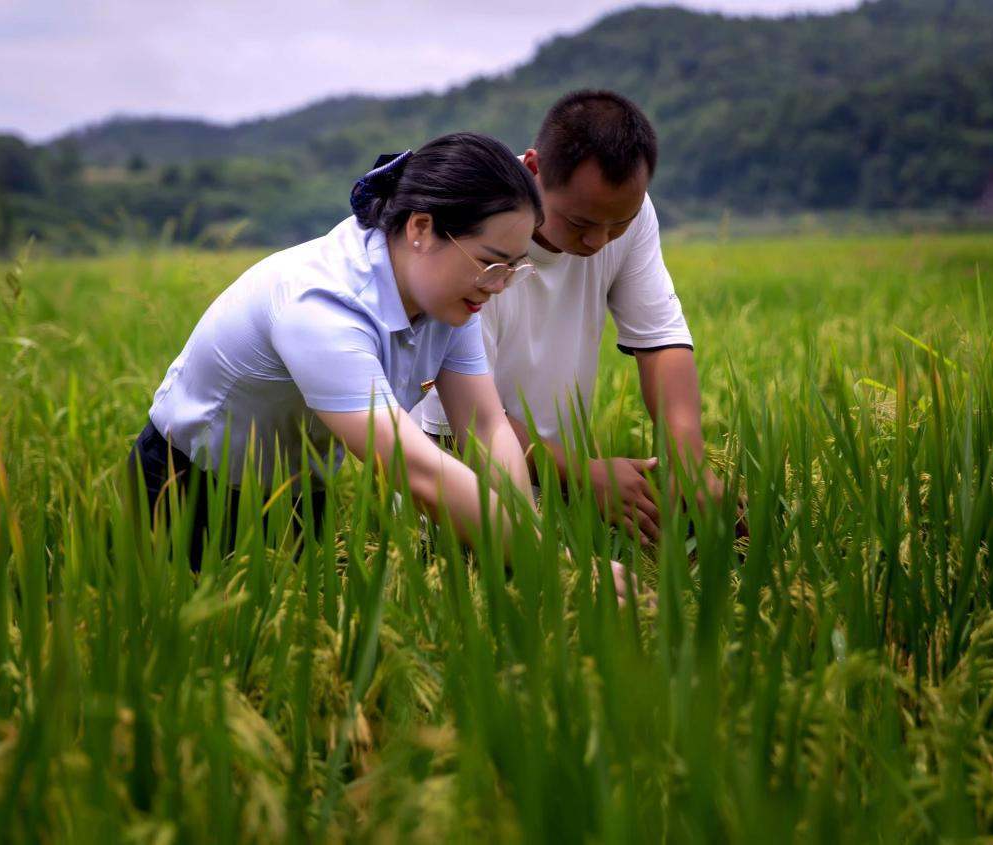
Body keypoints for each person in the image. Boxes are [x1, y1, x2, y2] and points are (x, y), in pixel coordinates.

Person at [128, 132, 544, 568]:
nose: (499, 286)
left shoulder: (450, 300)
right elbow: (415, 470)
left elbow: (484, 428)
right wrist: (559, 567)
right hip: (188, 488)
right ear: (421, 228)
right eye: (491, 263)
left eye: (514, 268)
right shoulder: (322, 303)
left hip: (301, 490)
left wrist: (531, 534)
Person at [415, 90, 728, 543]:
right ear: (534, 170)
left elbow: (659, 339)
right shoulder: (472, 229)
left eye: (617, 223)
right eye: (579, 223)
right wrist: (582, 474)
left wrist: (688, 461)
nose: (598, 241)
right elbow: (454, 422)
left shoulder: (626, 212)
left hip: (565, 502)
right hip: (456, 501)